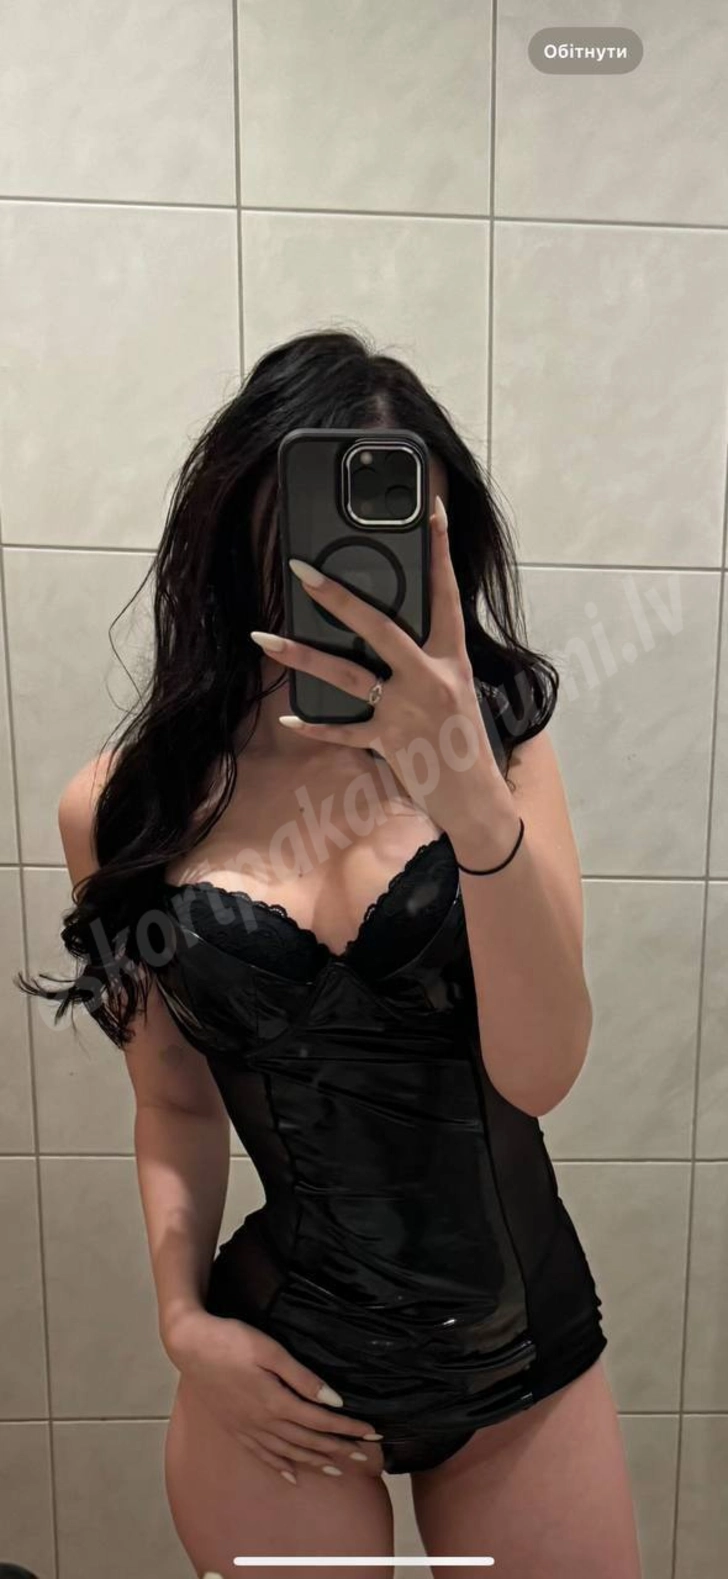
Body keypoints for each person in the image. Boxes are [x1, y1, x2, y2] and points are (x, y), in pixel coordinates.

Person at [20, 330, 642, 1578]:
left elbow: (541, 1071)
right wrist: (182, 1322)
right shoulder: (127, 806)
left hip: (522, 1358)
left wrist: (466, 796)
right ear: (236, 530)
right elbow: (173, 1101)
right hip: (280, 1369)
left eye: (397, 528)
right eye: (306, 527)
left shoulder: (503, 746)